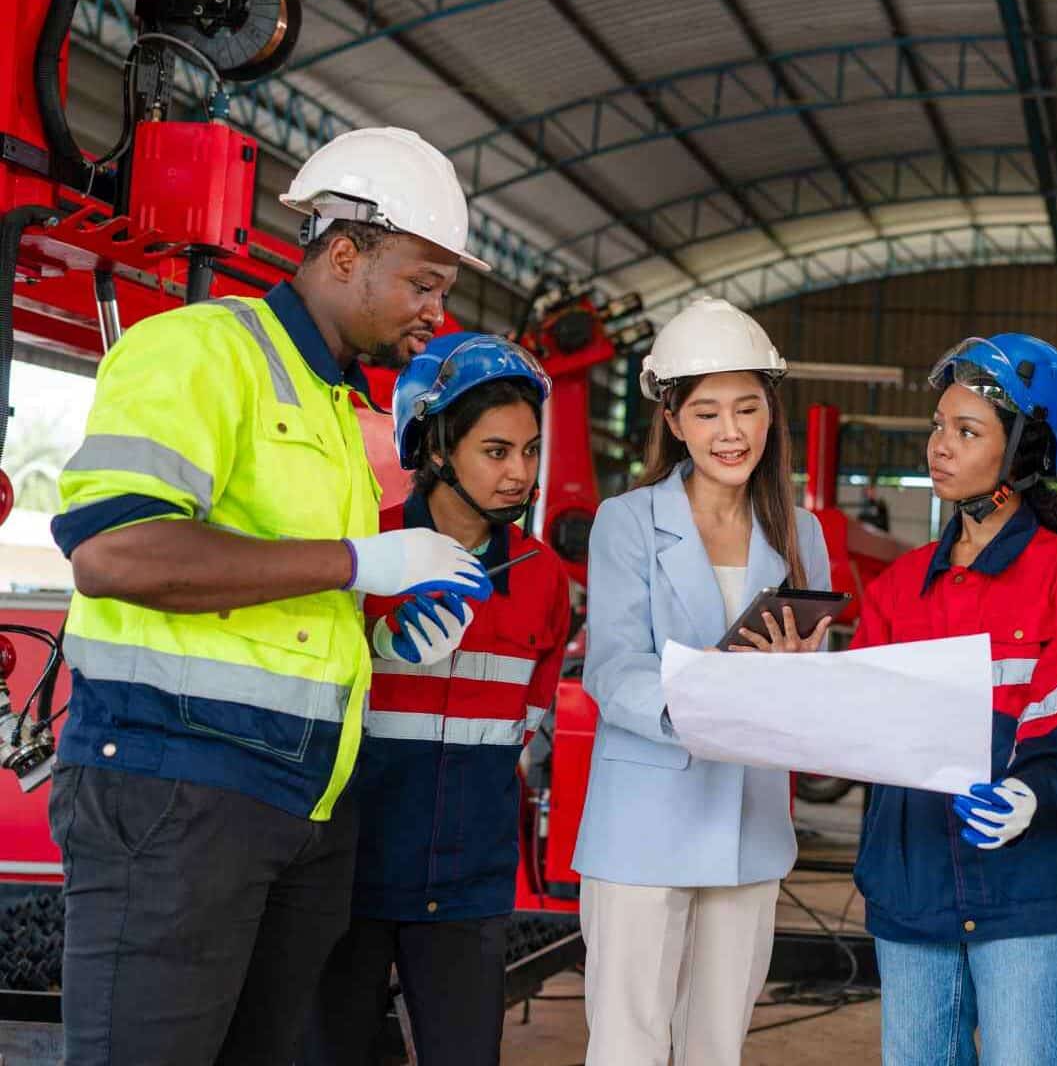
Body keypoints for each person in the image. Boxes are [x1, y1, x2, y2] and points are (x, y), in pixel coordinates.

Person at [48, 126, 495, 1065]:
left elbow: (285, 600)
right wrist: (355, 562)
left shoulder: (334, 407)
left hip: (302, 805)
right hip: (176, 790)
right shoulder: (202, 352)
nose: (435, 313)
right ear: (346, 255)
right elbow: (117, 553)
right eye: (422, 284)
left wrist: (378, 636)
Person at [573, 296, 833, 1065]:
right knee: (627, 1046)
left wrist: (799, 679)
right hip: (643, 823)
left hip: (750, 826)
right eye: (708, 412)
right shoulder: (626, 521)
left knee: (716, 1049)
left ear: (771, 413)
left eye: (748, 409)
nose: (731, 432)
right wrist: (712, 692)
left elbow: (813, 680)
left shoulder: (801, 531)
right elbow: (613, 666)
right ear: (673, 420)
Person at [301, 332, 573, 1065]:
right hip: (348, 873)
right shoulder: (361, 551)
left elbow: (525, 725)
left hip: (468, 884)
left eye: (530, 450)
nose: (520, 473)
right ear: (435, 447)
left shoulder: (542, 576)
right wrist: (371, 643)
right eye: (496, 451)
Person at [851, 333, 1057, 1066]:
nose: (940, 445)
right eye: (939, 426)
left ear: (1023, 452)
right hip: (912, 888)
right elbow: (858, 725)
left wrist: (1030, 793)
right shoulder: (898, 587)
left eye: (967, 431)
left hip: (1026, 889)